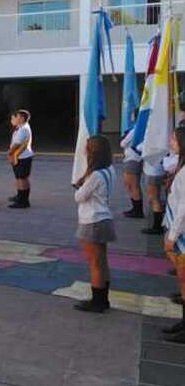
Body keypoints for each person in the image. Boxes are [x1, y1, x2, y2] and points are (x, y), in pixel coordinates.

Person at [73, 135, 116, 313]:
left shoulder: (96, 175)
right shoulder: (110, 169)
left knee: (95, 263)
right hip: (104, 218)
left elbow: (79, 197)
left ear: (94, 152)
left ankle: (97, 301)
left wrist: (81, 186)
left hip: (92, 220)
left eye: (87, 147)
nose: (84, 150)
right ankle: (103, 298)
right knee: (102, 261)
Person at [162, 127, 185, 342]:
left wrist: (172, 235)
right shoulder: (180, 165)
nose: (171, 140)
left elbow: (184, 209)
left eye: (174, 138)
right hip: (177, 232)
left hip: (182, 235)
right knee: (182, 280)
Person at [7, 109, 34, 209]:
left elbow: (17, 144)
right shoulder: (22, 127)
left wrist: (9, 153)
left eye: (17, 116)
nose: (15, 118)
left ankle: (23, 201)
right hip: (19, 157)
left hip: (22, 157)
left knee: (22, 178)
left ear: (22, 118)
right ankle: (20, 196)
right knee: (19, 178)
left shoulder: (23, 129)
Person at [120, 119, 144, 219]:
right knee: (129, 184)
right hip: (133, 159)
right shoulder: (140, 129)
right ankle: (135, 208)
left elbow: (123, 143)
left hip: (132, 159)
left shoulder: (135, 129)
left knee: (133, 185)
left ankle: (138, 210)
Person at [141, 154, 167, 235]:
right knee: (155, 198)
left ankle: (157, 226)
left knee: (154, 198)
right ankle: (159, 224)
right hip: (156, 169)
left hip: (153, 171)